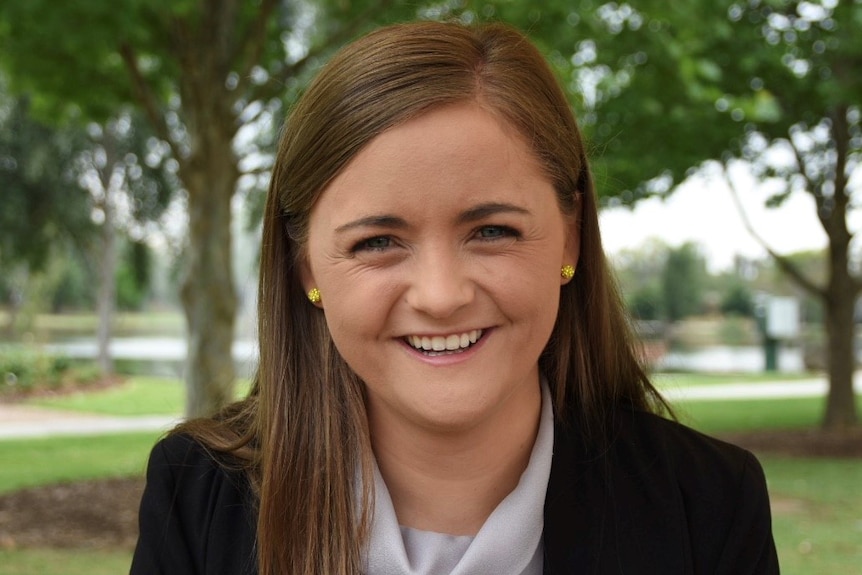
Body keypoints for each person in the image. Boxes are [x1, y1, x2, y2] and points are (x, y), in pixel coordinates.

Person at [130, 20, 779, 575]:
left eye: (492, 231)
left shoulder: (709, 506)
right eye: (378, 241)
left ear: (571, 237)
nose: (441, 296)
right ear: (306, 268)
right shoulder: (197, 496)